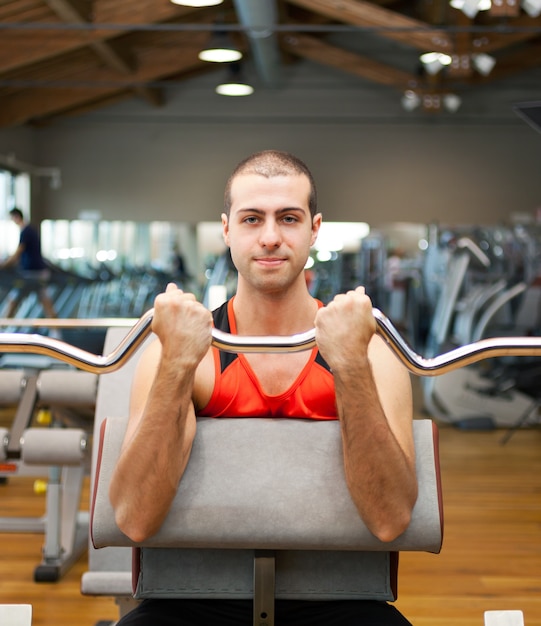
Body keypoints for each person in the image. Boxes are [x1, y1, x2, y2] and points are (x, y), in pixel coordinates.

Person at [109, 150, 418, 626]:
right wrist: (175, 364)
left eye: (288, 218)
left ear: (315, 229)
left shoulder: (372, 352)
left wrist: (350, 366)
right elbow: (134, 518)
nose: (270, 237)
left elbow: (390, 518)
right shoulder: (189, 355)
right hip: (190, 601)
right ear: (227, 229)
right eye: (252, 219)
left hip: (344, 602)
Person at [0, 207, 58, 319]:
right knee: (45, 301)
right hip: (36, 272)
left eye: (12, 219)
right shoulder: (30, 230)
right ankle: (56, 332)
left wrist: (3, 265)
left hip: (32, 273)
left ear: (16, 217)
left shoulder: (26, 232)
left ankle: (2, 330)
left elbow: (18, 253)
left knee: (13, 301)